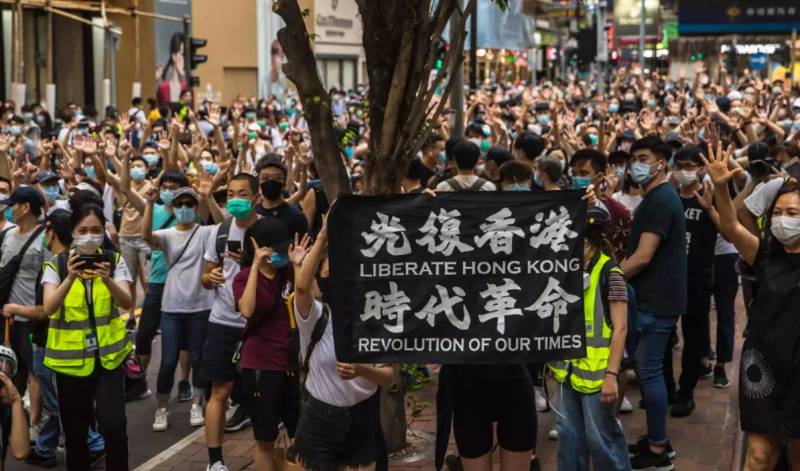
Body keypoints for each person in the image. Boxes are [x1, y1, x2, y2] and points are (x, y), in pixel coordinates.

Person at [703, 142, 800, 471]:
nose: (783, 220)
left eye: (793, 214)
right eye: (778, 213)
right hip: (763, 368)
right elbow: (730, 224)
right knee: (759, 456)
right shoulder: (763, 254)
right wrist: (720, 185)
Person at [291, 220, 394, 471]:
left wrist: (361, 370)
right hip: (320, 420)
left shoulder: (376, 316)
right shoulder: (315, 316)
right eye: (328, 274)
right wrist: (322, 238)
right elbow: (301, 287)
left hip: (364, 418)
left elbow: (389, 376)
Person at [41, 203, 134, 471]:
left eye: (96, 230)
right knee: (75, 432)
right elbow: (49, 308)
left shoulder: (114, 261)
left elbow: (127, 302)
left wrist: (107, 280)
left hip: (109, 359)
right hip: (69, 364)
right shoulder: (56, 265)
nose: (90, 236)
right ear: (72, 232)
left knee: (114, 425)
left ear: (104, 231)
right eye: (83, 230)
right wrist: (70, 277)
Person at [620, 137, 686, 470]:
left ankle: (658, 451)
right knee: (652, 370)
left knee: (648, 373)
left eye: (643, 158)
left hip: (654, 301)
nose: (636, 165)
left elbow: (643, 257)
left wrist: (611, 276)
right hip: (656, 298)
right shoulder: (658, 197)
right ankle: (658, 439)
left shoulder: (659, 200)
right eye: (633, 159)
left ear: (662, 163)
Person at [550, 206, 630, 471]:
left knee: (601, 439)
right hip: (567, 371)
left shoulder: (611, 274)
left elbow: (620, 328)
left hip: (598, 376)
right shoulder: (564, 270)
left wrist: (611, 374)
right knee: (569, 438)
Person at [26, 209, 106, 467]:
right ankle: (45, 448)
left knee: (61, 406)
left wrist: (15, 310)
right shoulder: (58, 265)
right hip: (61, 350)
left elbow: (44, 310)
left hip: (55, 351)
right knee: (59, 406)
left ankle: (93, 442)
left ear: (51, 233)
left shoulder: (57, 267)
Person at [201, 173, 261, 471]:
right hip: (222, 322)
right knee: (219, 392)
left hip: (258, 324)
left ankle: (268, 455)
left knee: (263, 393)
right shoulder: (220, 231)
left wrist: (253, 262)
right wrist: (209, 278)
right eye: (231, 194)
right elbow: (206, 273)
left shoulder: (269, 230)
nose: (235, 200)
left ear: (256, 197)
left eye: (243, 194)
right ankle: (215, 462)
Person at [143, 187, 216, 431]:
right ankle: (161, 408)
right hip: (172, 306)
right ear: (173, 208)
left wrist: (208, 196)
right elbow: (146, 236)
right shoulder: (167, 235)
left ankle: (197, 403)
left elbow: (224, 223)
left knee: (198, 357)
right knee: (168, 361)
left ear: (196, 208)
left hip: (201, 306)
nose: (184, 208)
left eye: (189, 204)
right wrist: (149, 204)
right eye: (180, 204)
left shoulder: (205, 232)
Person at [232, 218, 299, 471]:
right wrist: (255, 268)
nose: (282, 253)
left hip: (291, 361)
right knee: (265, 438)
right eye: (276, 249)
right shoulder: (243, 277)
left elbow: (310, 297)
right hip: (261, 365)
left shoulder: (289, 271)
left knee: (299, 432)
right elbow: (247, 309)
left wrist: (298, 264)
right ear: (259, 247)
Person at [124, 169, 192, 400]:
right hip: (157, 282)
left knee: (184, 338)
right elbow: (124, 188)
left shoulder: (192, 215)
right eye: (166, 186)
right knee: (144, 335)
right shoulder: (154, 209)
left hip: (184, 282)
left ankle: (184, 382)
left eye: (175, 187)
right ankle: (139, 380)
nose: (169, 191)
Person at [670, 146, 721, 418]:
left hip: (698, 280)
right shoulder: (668, 198)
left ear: (701, 168)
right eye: (680, 164)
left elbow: (727, 228)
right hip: (668, 279)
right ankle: (666, 388)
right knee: (665, 337)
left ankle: (685, 391)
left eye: (690, 165)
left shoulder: (708, 197)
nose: (685, 170)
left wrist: (710, 208)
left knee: (693, 338)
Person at [0, 187, 46, 400]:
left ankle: (39, 424)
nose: (8, 210)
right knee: (11, 373)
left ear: (25, 207)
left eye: (12, 206)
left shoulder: (46, 237)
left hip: (32, 318)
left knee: (36, 374)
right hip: (8, 319)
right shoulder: (8, 235)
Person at [254, 155, 308, 237]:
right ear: (259, 182)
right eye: (265, 178)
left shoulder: (297, 217)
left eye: (277, 178)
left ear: (284, 183)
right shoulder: (252, 214)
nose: (271, 182)